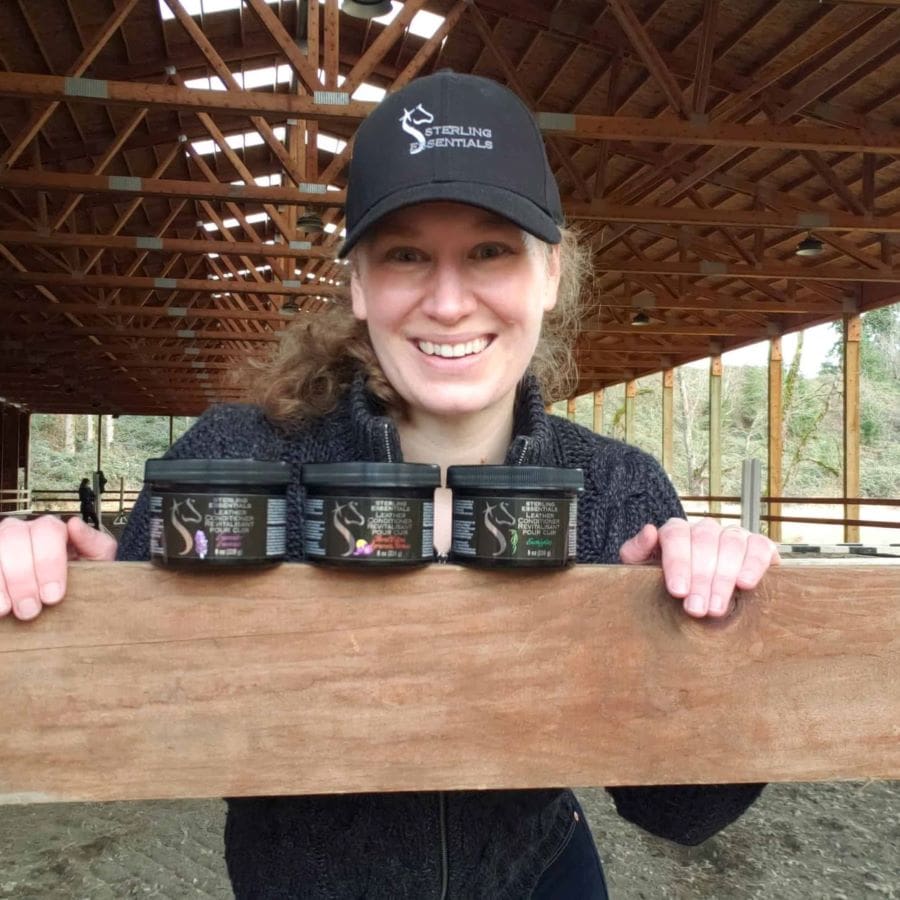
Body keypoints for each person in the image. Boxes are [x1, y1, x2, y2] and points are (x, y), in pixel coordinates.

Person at [0, 72, 779, 898]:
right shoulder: (232, 463)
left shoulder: (619, 487)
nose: (448, 301)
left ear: (549, 276)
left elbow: (684, 813)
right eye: (407, 254)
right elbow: (120, 725)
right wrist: (45, 588)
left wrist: (709, 627)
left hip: (541, 877)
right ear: (360, 284)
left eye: (490, 251)